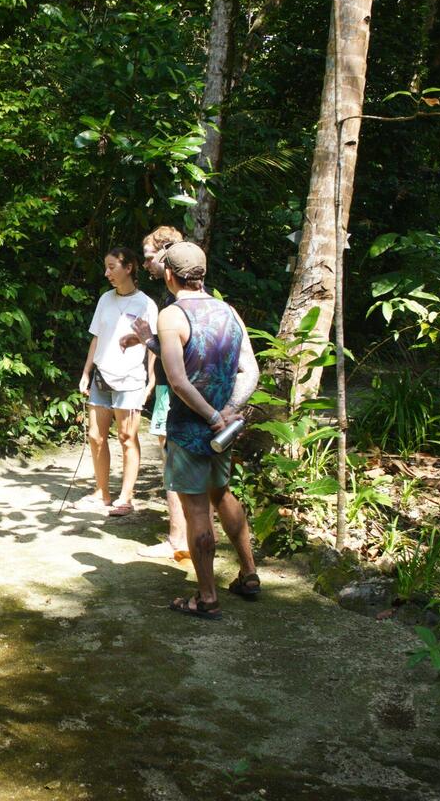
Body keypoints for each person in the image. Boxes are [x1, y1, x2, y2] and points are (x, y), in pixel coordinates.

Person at [127, 241, 261, 617]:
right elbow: (250, 370)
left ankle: (206, 597)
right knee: (222, 494)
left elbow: (179, 379)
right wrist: (229, 411)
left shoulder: (172, 315)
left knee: (196, 509)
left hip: (191, 429)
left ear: (169, 274)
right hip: (222, 431)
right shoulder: (228, 311)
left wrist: (212, 418)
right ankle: (249, 572)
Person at [77, 247, 157, 516]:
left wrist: (151, 381)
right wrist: (86, 372)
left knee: (126, 436)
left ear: (129, 268)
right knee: (95, 436)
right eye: (106, 267)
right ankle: (102, 493)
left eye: (112, 267)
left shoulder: (146, 304)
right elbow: (96, 337)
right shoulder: (105, 300)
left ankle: (126, 497)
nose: (107, 273)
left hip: (131, 379)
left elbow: (153, 345)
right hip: (102, 375)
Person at [134, 226, 190, 560]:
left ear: (167, 254)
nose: (147, 265)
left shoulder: (175, 301)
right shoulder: (198, 295)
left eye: (149, 257)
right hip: (180, 391)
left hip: (175, 392)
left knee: (172, 463)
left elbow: (175, 351)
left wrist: (145, 338)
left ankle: (177, 540)